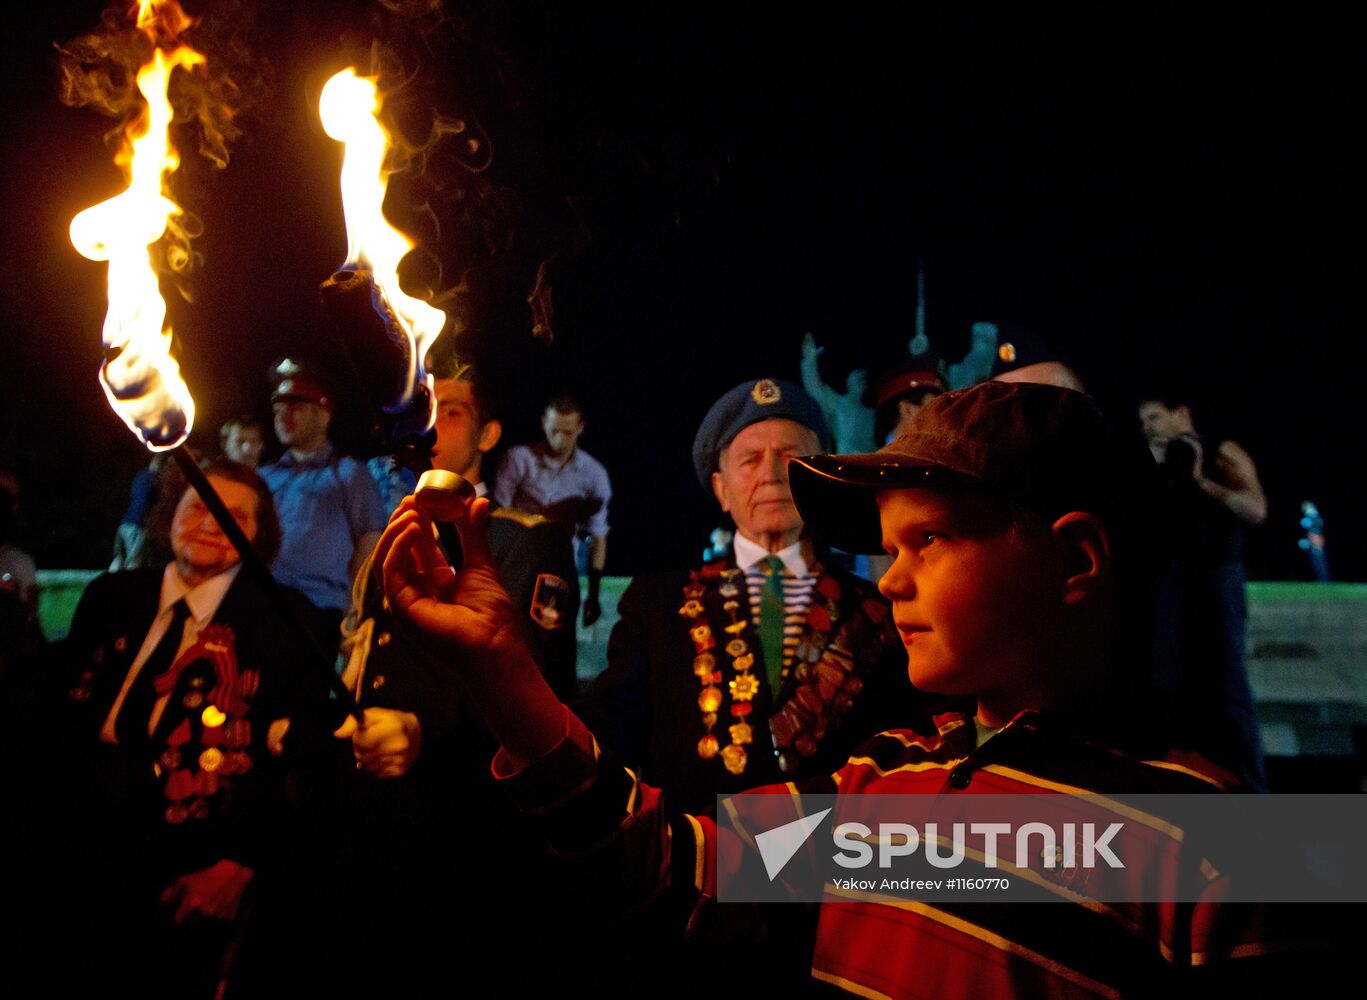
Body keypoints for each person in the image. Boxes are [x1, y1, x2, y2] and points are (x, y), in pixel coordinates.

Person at [369, 381, 1324, 997]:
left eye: (930, 541)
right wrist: (499, 669)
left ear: (1073, 558)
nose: (892, 580)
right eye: (888, 547)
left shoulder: (1229, 846)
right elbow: (671, 863)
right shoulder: (887, 797)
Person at [37, 460, 324, 999]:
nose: (210, 523)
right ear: (170, 516)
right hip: (76, 845)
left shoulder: (290, 623)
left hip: (190, 866)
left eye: (232, 516)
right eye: (198, 507)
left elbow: (297, 763)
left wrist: (240, 862)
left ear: (257, 535)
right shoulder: (111, 597)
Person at [573, 377, 925, 813]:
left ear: (821, 479)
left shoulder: (878, 612)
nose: (771, 474)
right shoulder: (657, 604)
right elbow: (610, 736)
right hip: (701, 864)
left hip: (840, 867)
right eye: (749, 459)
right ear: (721, 489)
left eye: (791, 456)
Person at [1138, 393, 1269, 791]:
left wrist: (1201, 482)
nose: (1150, 426)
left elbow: (1256, 509)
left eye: (1157, 416)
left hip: (1217, 571)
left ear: (1182, 414)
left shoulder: (1221, 451)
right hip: (1171, 572)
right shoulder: (1152, 461)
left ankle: (1250, 785)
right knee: (1169, 677)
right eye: (1144, 420)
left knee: (1227, 681)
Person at [259, 359, 385, 637]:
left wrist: (354, 607)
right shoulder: (263, 477)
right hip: (259, 605)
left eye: (296, 407)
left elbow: (369, 542)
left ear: (324, 415)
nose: (284, 416)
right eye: (279, 409)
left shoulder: (350, 474)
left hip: (318, 614)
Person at [493, 393, 611, 625]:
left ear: (580, 428)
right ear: (544, 423)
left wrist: (593, 596)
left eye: (567, 433)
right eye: (554, 430)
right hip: (516, 562)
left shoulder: (594, 475)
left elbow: (598, 537)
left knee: (553, 632)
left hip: (563, 566)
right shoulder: (518, 459)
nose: (559, 440)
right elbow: (497, 517)